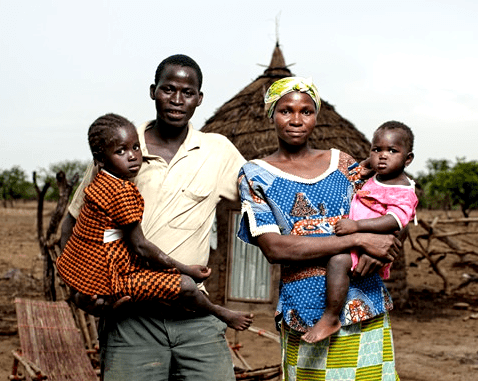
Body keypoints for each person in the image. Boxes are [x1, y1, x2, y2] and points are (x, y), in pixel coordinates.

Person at [61, 55, 251, 381]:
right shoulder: (120, 147)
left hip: (195, 319)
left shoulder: (217, 151)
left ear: (199, 99)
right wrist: (81, 286)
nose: (177, 100)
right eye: (168, 89)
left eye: (187, 92)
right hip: (132, 319)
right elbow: (73, 223)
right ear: (153, 91)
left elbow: (263, 199)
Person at [237, 77, 402, 380]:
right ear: (271, 114)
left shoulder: (342, 163)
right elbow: (276, 248)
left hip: (364, 302)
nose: (296, 120)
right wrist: (360, 239)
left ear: (316, 116)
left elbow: (388, 204)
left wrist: (383, 243)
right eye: (285, 110)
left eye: (306, 111)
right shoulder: (255, 175)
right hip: (305, 312)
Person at [57, 113, 252, 332]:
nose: (132, 156)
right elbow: (141, 246)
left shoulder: (103, 183)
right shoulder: (119, 192)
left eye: (136, 148)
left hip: (98, 272)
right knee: (186, 285)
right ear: (101, 161)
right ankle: (220, 312)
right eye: (121, 152)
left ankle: (114, 302)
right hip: (113, 275)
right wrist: (186, 269)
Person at [302, 120, 418, 343]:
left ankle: (331, 317)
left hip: (366, 245)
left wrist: (357, 227)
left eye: (392, 151)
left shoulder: (402, 189)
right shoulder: (376, 178)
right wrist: (368, 164)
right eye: (377, 150)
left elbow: (396, 220)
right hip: (354, 241)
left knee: (337, 262)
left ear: (408, 159)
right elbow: (358, 173)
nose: (383, 156)